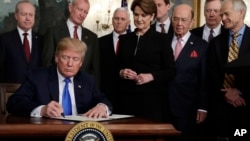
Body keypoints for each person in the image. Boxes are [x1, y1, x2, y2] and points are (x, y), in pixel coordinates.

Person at [6, 37, 112, 118]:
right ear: (56, 58)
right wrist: (42, 110)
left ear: (81, 63)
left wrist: (102, 107)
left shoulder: (87, 80)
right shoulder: (37, 77)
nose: (70, 64)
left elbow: (103, 99)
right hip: (48, 134)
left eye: (75, 59)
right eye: (65, 57)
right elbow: (14, 102)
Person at [117, 0, 175, 122]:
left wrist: (151, 76)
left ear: (152, 16)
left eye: (144, 15)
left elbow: (171, 71)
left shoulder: (162, 40)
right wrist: (122, 72)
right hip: (126, 102)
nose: (139, 19)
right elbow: (115, 67)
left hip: (152, 103)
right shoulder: (124, 39)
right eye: (136, 14)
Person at [207, 0, 250, 140]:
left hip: (245, 110)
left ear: (241, 13)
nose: (222, 18)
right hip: (219, 110)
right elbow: (211, 75)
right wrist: (226, 93)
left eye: (226, 14)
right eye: (222, 14)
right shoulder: (216, 42)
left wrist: (239, 91)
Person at [167, 4, 208, 141]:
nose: (179, 24)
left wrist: (202, 107)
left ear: (192, 22)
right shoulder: (162, 41)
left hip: (187, 109)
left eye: (184, 20)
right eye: (176, 19)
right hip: (161, 107)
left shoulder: (201, 46)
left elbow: (204, 79)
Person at [41, 0, 100, 86]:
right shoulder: (53, 32)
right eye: (79, 9)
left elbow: (95, 70)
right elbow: (46, 63)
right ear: (70, 8)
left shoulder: (92, 37)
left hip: (83, 90)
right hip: (57, 86)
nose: (82, 15)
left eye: (85, 12)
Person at [0, 0, 42, 83]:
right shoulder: (4, 39)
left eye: (31, 15)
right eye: (24, 14)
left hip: (36, 91)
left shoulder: (41, 40)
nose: (28, 18)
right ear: (16, 16)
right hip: (11, 91)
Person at [99, 7, 130, 113]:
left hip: (128, 95)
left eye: (122, 19)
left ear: (128, 22)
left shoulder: (135, 42)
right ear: (112, 20)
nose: (119, 22)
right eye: (116, 18)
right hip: (106, 95)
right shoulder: (100, 42)